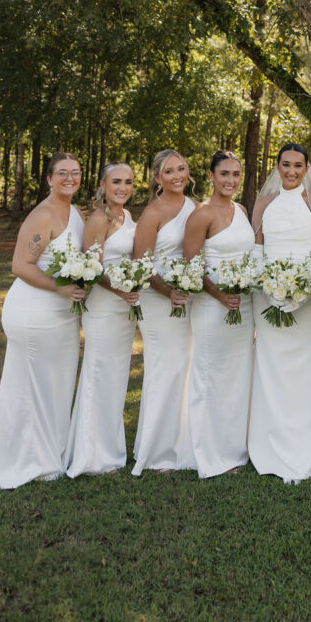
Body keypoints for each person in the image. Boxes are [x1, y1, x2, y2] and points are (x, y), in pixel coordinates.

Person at [0, 152, 85, 489]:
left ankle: (51, 452)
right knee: (34, 386)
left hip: (62, 314)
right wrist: (61, 287)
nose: (70, 178)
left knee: (55, 384)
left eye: (76, 173)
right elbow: (21, 266)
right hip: (35, 311)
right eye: (63, 173)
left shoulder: (75, 211)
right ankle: (27, 460)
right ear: (49, 178)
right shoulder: (42, 215)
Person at [248, 143, 311, 483]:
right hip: (266, 297)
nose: (292, 171)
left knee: (300, 366)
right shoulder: (264, 202)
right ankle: (267, 442)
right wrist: (269, 288)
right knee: (270, 364)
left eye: (298, 165)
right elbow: (256, 251)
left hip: (306, 298)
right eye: (286, 165)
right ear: (277, 167)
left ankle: (302, 442)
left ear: (307, 168)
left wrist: (303, 290)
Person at [182, 151, 255, 477]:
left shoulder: (241, 210)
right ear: (211, 176)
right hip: (213, 307)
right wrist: (219, 295)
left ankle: (234, 447)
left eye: (236, 174)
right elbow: (191, 268)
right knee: (210, 376)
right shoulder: (201, 215)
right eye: (224, 174)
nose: (230, 180)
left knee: (237, 378)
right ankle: (210, 455)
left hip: (243, 306)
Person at [66, 161, 140, 477]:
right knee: (99, 373)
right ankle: (91, 456)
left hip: (124, 309)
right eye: (117, 182)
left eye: (129, 182)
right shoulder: (98, 218)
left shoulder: (126, 216)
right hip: (105, 306)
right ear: (103, 184)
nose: (123, 187)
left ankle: (110, 450)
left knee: (115, 376)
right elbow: (92, 268)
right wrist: (123, 291)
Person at [132, 149, 197, 475]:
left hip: (185, 299)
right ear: (157, 178)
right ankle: (157, 452)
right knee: (165, 368)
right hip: (157, 299)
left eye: (181, 169)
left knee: (184, 367)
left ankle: (181, 442)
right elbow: (140, 265)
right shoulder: (153, 212)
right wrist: (168, 290)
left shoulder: (194, 207)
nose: (177, 176)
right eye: (169, 171)